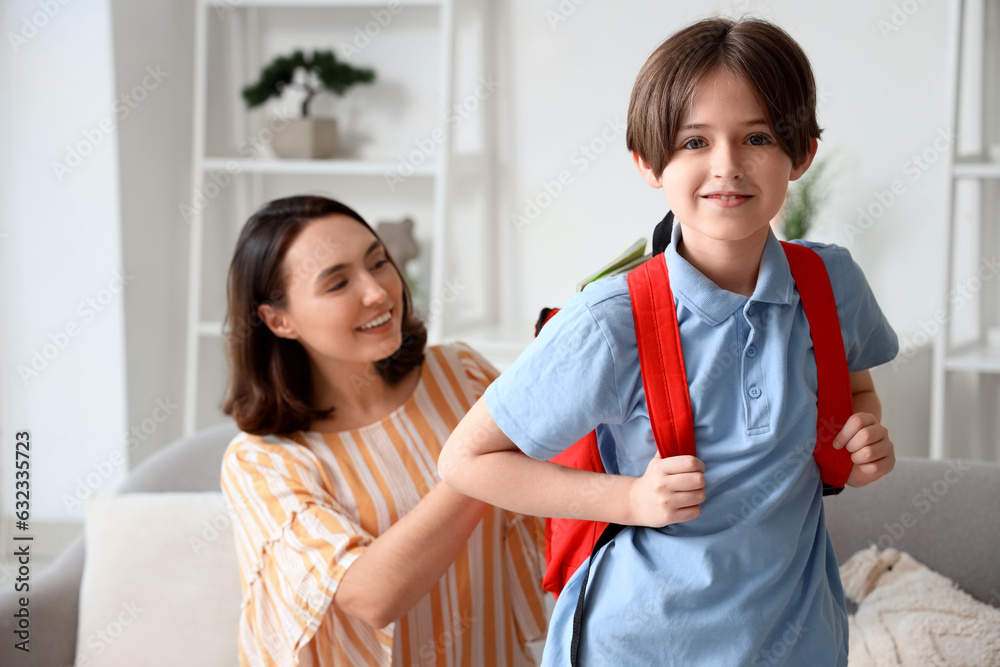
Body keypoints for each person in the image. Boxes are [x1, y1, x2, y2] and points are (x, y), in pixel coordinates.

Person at [438, 17, 899, 666]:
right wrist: (628, 498)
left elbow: (853, 388)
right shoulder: (610, 319)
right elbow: (464, 459)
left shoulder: (832, 284)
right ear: (648, 163)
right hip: (640, 645)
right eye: (693, 142)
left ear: (800, 154)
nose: (727, 166)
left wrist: (863, 435)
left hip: (798, 641)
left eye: (757, 137)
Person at [218, 195, 548, 667]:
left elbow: (554, 494)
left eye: (378, 262)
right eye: (337, 283)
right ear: (278, 319)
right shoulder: (262, 463)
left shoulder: (462, 375)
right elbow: (373, 595)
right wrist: (482, 464)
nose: (377, 293)